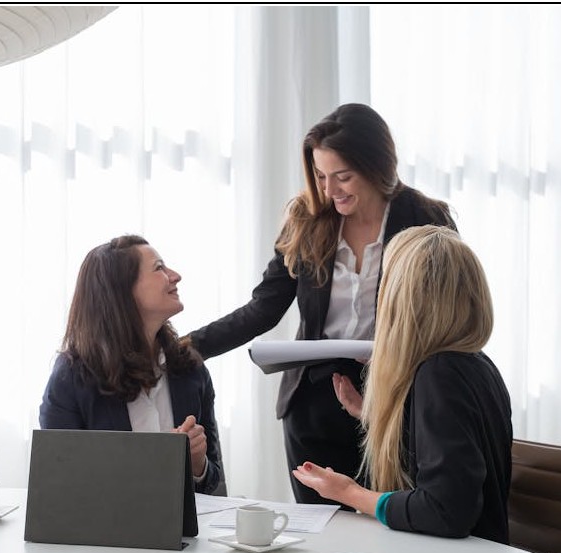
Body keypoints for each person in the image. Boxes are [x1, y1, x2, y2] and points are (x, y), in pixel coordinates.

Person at [185, 103, 456, 504]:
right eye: (320, 175)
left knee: (391, 521)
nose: (329, 191)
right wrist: (191, 346)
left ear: (377, 166)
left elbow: (447, 317)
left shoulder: (428, 220)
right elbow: (263, 307)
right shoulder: (307, 220)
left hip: (394, 397)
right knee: (321, 529)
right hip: (312, 401)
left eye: (343, 176)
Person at [293, 225, 513, 542]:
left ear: (405, 297)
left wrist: (349, 493)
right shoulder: (476, 363)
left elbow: (445, 510)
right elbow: (454, 452)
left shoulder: (440, 375)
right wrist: (376, 416)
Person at [39, 234, 223, 495]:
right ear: (122, 290)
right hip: (102, 534)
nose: (175, 276)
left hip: (183, 535)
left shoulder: (191, 369)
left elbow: (212, 480)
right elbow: (60, 483)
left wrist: (197, 464)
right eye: (159, 268)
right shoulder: (72, 376)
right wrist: (153, 462)